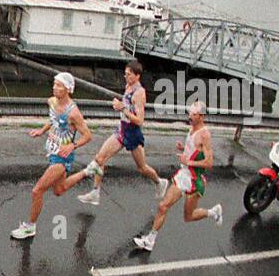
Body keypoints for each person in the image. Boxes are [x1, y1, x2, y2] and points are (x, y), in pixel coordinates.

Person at [10, 73, 94, 240]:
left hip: (62, 157)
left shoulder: (73, 113)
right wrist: (42, 130)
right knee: (59, 190)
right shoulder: (52, 101)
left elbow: (87, 135)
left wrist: (72, 145)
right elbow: (53, 120)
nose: (54, 87)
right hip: (52, 151)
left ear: (68, 89)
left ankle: (30, 227)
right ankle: (88, 171)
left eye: (59, 85)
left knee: (37, 191)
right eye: (54, 84)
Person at [70, 59, 165, 205]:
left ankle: (159, 182)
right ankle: (95, 192)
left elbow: (139, 120)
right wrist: (120, 107)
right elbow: (126, 108)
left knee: (142, 167)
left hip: (133, 133)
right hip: (122, 129)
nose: (125, 77)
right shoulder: (128, 86)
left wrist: (122, 109)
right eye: (125, 74)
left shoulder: (139, 93)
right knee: (100, 158)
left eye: (129, 74)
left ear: (137, 76)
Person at [133, 101, 222, 252]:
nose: (190, 117)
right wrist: (184, 148)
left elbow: (209, 162)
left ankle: (213, 212)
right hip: (184, 175)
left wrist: (188, 161)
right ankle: (150, 240)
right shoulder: (192, 128)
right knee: (163, 206)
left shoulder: (205, 134)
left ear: (201, 116)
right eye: (189, 114)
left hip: (195, 180)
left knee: (188, 217)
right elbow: (194, 149)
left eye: (193, 115)